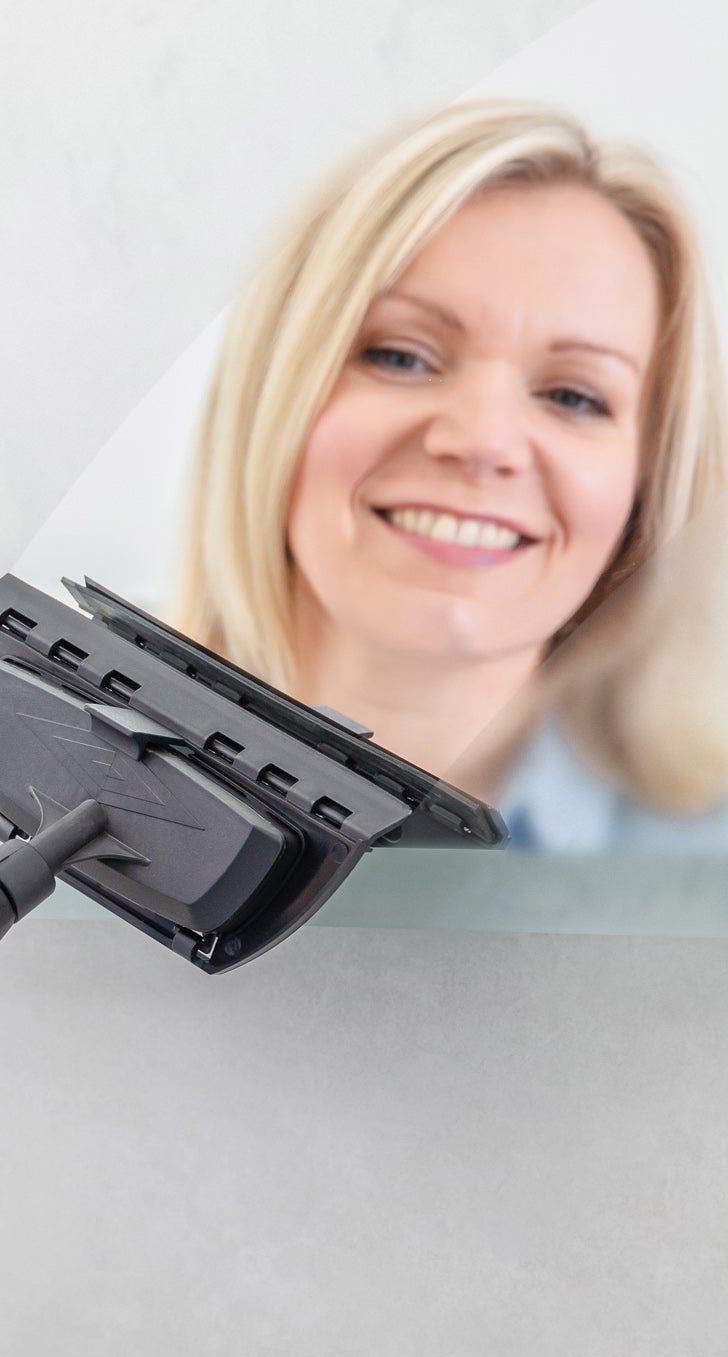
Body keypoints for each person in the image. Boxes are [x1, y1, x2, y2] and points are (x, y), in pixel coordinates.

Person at [171, 99, 728, 850]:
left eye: (573, 396)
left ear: (647, 491)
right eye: (401, 355)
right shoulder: (26, 810)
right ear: (275, 400)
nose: (483, 441)